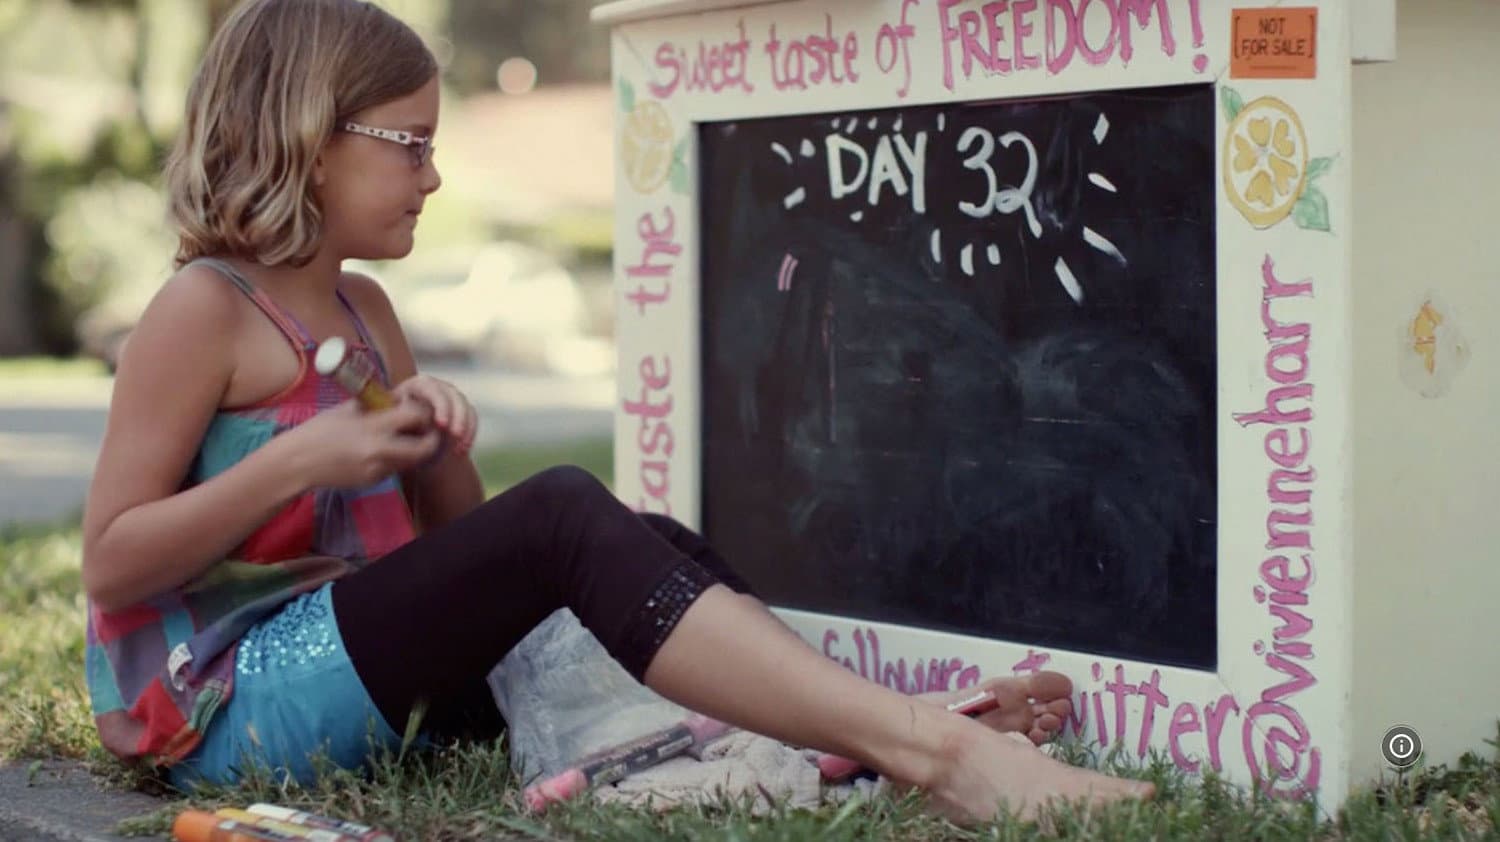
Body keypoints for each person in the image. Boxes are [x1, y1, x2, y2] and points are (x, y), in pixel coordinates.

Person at [80, 0, 1153, 824]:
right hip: (228, 710)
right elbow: (114, 565)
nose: (435, 174)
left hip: (364, 683)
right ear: (311, 137)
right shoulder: (205, 309)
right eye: (409, 143)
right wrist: (300, 458)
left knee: (641, 544)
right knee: (564, 518)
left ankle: (854, 740)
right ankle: (942, 754)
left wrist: (438, 445)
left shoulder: (366, 309)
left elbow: (468, 565)